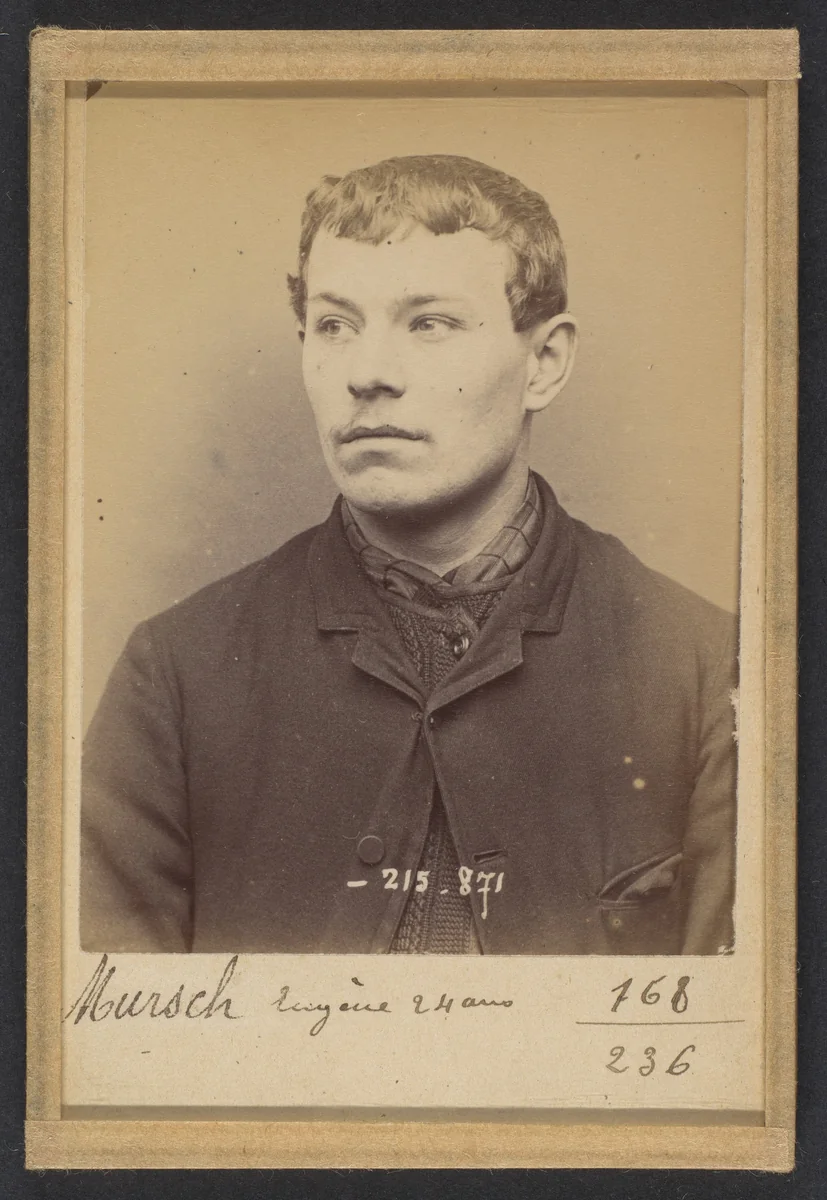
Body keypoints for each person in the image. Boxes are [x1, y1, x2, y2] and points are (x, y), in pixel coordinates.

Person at [81, 154, 737, 956]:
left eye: (429, 323)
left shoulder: (707, 671)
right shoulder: (175, 672)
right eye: (334, 325)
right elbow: (112, 1052)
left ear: (545, 362)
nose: (367, 373)